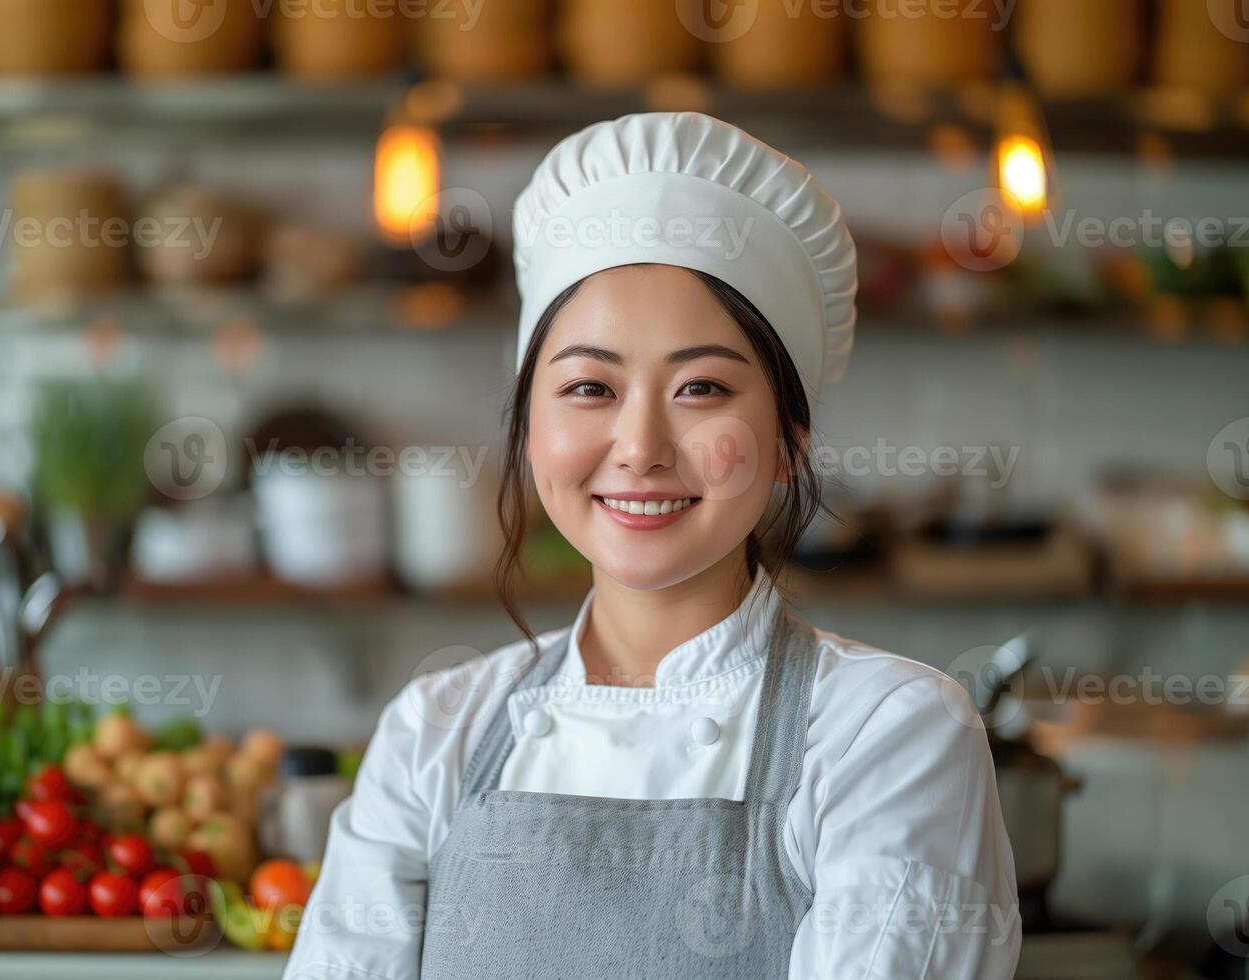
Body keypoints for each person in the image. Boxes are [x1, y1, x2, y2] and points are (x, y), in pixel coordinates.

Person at [285, 111, 1021, 979]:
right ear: (530, 433)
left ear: (790, 440)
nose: (639, 446)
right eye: (590, 386)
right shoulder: (433, 732)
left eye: (701, 386)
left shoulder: (886, 734)